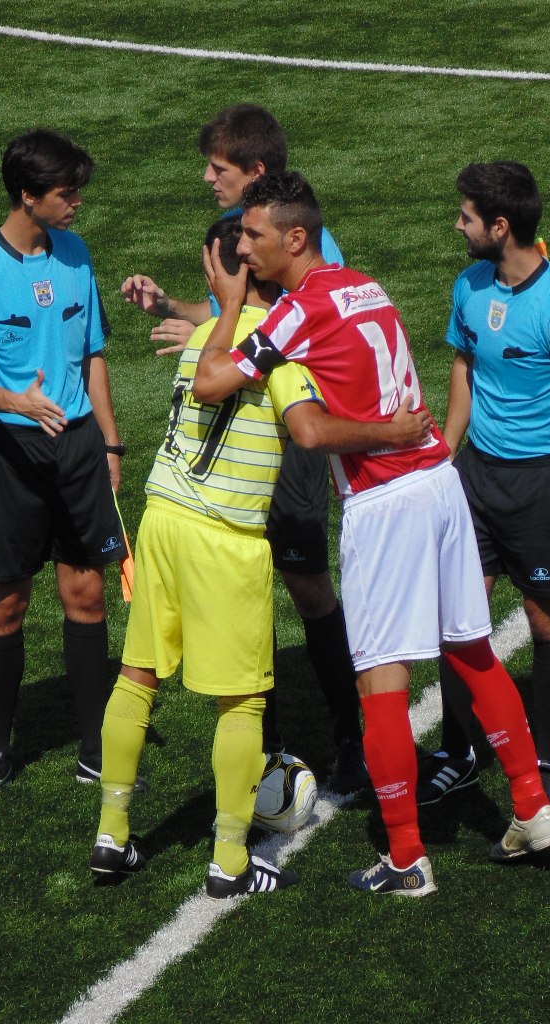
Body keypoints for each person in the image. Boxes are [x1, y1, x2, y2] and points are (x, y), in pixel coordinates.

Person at [194, 172, 550, 897]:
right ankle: (530, 805)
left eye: (253, 235)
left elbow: (212, 382)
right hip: (439, 485)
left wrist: (230, 305)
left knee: (380, 682)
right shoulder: (364, 285)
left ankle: (405, 858)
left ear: (294, 238)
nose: (241, 248)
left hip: (385, 500)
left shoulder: (298, 311)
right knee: (471, 649)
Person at [91, 216, 431, 898]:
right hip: (228, 537)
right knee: (243, 701)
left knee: (136, 675)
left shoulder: (202, 344)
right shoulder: (281, 353)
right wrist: (391, 431)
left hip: (162, 517)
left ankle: (111, 834)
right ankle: (229, 860)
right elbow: (309, 431)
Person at [121, 104, 367, 792]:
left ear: (256, 171)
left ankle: (350, 742)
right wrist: (176, 310)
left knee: (306, 587)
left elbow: (293, 329)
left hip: (287, 436)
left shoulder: (296, 242)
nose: (208, 178)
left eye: (218, 168)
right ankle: (266, 750)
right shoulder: (245, 234)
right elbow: (243, 313)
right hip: (236, 439)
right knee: (247, 591)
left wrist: (222, 342)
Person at [417, 161, 550, 807]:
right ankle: (459, 751)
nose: (457, 225)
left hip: (542, 484)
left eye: (466, 217)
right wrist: (446, 454)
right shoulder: (470, 284)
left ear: (500, 226)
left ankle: (548, 758)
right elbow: (464, 364)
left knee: (545, 620)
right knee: (459, 617)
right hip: (476, 477)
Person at [0, 128, 127, 799]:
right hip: (10, 454)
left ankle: (94, 749)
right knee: (7, 602)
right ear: (28, 196)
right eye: (66, 193)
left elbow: (93, 355)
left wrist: (109, 444)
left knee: (86, 593)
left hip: (77, 448)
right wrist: (16, 401)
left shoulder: (76, 254)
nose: (76, 203)